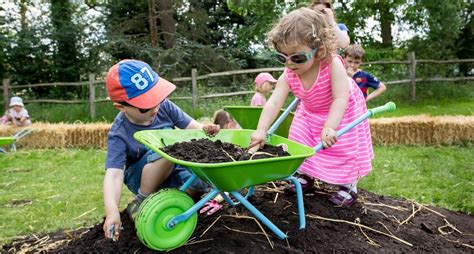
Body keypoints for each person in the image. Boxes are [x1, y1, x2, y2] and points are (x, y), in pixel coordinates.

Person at [249, 7, 374, 208]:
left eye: (297, 58)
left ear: (319, 51)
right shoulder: (290, 72)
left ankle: (349, 184)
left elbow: (340, 99)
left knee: (343, 147)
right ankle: (306, 174)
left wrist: (330, 126)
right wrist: (261, 129)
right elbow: (274, 101)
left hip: (342, 110)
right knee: (299, 138)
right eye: (283, 57)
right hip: (310, 112)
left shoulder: (333, 65)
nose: (289, 63)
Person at [102, 59, 220, 241]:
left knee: (197, 183)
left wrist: (205, 129)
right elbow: (114, 175)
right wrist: (111, 212)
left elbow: (192, 128)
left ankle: (177, 197)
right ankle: (142, 201)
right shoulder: (119, 133)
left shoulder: (163, 106)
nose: (155, 107)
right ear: (121, 107)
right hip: (142, 177)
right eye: (146, 105)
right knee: (168, 146)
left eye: (156, 98)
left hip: (173, 165)